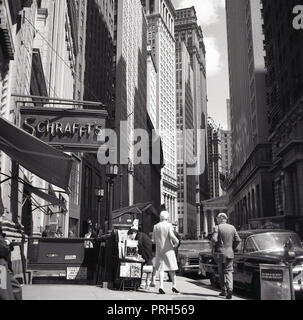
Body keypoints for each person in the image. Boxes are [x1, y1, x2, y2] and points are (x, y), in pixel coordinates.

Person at [212, 213, 241, 300]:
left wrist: (213, 247)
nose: (216, 220)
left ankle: (224, 290)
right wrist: (232, 248)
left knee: (221, 272)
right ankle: (230, 289)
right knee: (229, 271)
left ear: (221, 218)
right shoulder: (232, 227)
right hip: (229, 252)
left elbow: (214, 239)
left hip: (220, 253)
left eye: (217, 218)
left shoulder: (218, 227)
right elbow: (238, 240)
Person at [151, 211, 180, 295]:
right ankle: (174, 286)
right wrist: (177, 242)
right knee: (172, 268)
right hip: (168, 249)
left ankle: (161, 287)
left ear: (160, 217)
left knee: (161, 268)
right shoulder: (168, 225)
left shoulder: (155, 226)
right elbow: (171, 235)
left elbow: (153, 240)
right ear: (167, 217)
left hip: (159, 250)